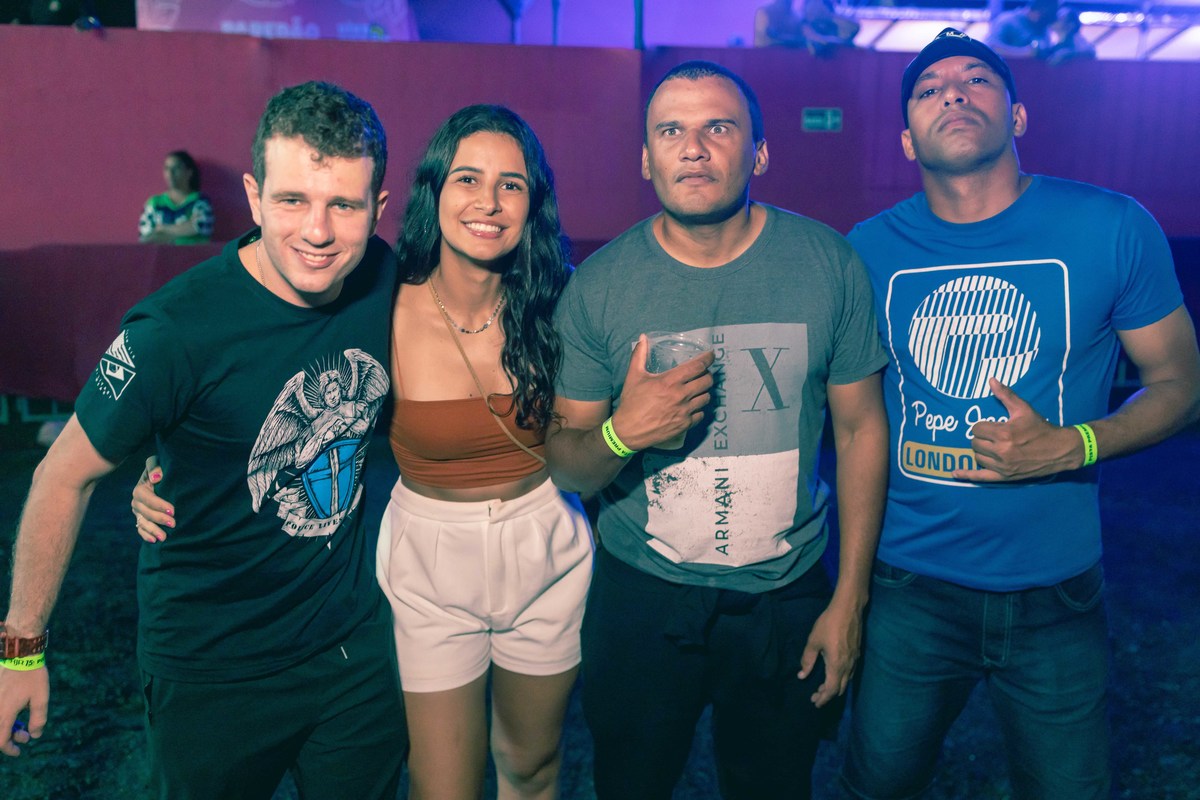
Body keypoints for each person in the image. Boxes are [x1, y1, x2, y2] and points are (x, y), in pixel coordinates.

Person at [133, 104, 591, 800]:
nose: (489, 202)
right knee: (442, 786)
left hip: (545, 547)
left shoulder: (563, 304)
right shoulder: (382, 297)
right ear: (432, 190)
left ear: (535, 202)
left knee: (532, 768)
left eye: (512, 184)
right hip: (428, 562)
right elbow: (279, 370)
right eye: (467, 178)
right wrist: (169, 465)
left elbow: (590, 435)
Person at [0, 81, 409, 799]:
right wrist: (20, 650)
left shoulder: (386, 281)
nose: (317, 232)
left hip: (352, 654)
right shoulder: (174, 330)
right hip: (212, 672)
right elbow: (61, 475)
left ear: (377, 209)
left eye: (343, 206)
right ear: (253, 197)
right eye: (292, 201)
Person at [841, 28, 1200, 799]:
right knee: (876, 785)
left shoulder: (1111, 227)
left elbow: (1181, 385)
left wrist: (1076, 445)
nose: (953, 92)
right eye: (929, 89)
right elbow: (850, 420)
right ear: (906, 139)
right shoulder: (865, 253)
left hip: (1055, 592)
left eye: (976, 79)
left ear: (1018, 115)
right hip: (909, 589)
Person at [545, 60, 889, 799]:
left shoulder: (828, 264)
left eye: (718, 128)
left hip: (786, 596)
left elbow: (862, 431)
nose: (693, 148)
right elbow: (567, 466)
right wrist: (623, 433)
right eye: (670, 131)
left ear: (759, 153)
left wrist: (850, 601)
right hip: (642, 596)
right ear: (646, 159)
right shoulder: (599, 287)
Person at [138, 150, 215, 245]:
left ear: (189, 172)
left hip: (194, 254)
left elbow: (201, 227)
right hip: (163, 254)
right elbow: (145, 238)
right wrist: (186, 228)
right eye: (167, 168)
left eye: (176, 168)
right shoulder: (155, 203)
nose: (170, 173)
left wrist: (162, 228)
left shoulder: (200, 201)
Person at [987, 0, 1094, 65]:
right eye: (1054, 11)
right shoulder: (1007, 21)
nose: (1056, 16)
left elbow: (1089, 51)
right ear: (1044, 9)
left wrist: (1067, 53)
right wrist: (1025, 52)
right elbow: (990, 48)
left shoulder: (1044, 28)